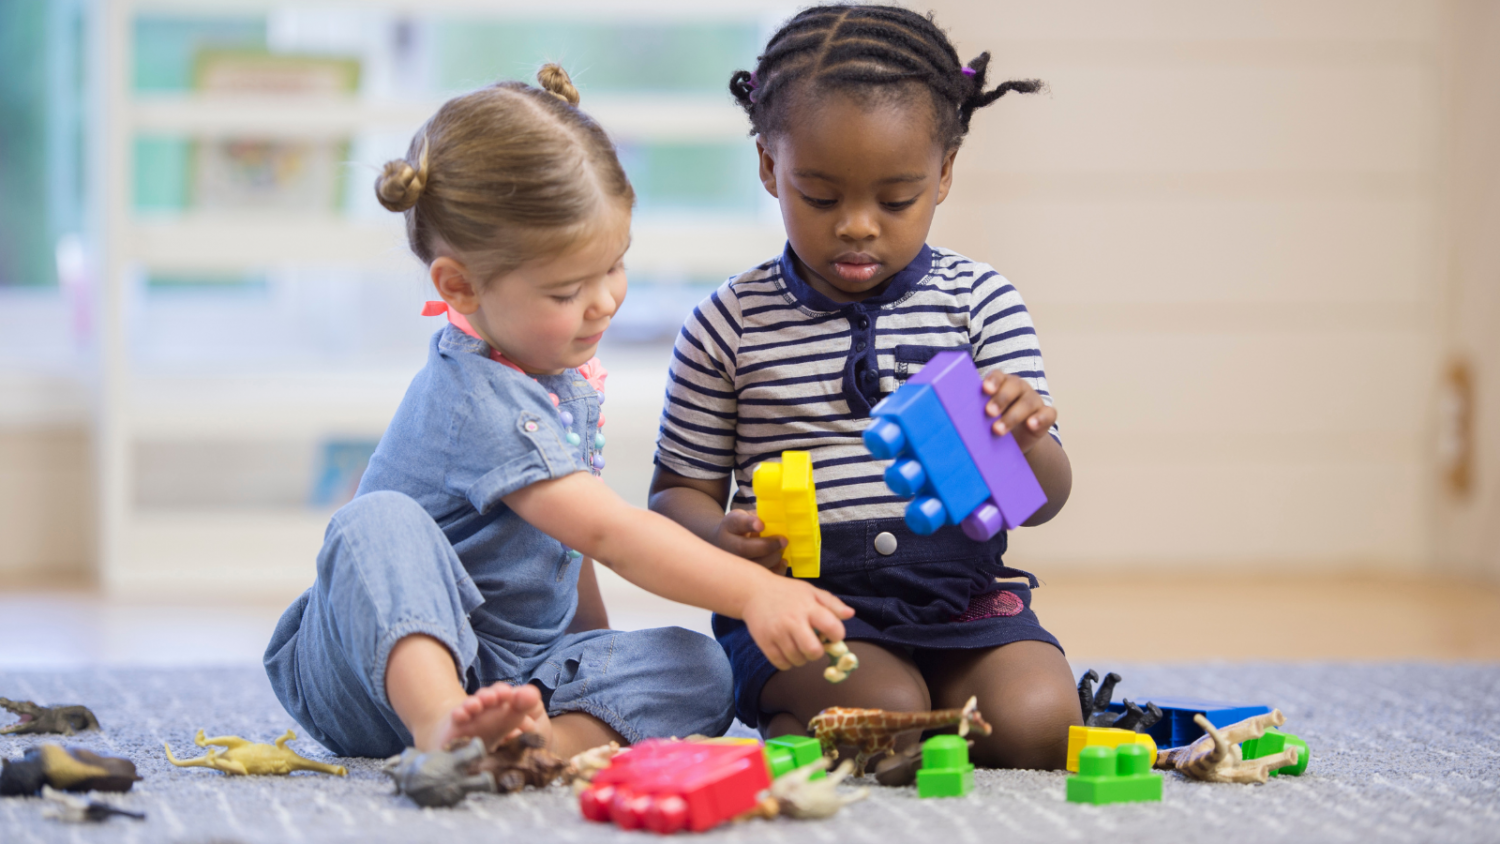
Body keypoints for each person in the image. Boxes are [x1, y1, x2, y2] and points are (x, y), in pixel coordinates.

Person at [264, 65, 852, 761]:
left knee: (703, 668)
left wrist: (591, 660)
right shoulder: (475, 395)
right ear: (460, 285)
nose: (605, 301)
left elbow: (569, 547)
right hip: (370, 673)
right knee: (374, 520)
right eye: (570, 288)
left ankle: (536, 744)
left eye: (615, 265)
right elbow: (610, 532)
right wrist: (754, 591)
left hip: (512, 671)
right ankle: (442, 729)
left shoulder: (555, 376)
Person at [650, 5, 1082, 770]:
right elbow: (675, 496)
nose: (856, 226)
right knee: (886, 719)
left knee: (1040, 725)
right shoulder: (728, 322)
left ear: (943, 174)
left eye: (895, 199)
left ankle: (922, 705)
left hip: (964, 595)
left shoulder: (980, 301)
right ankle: (831, 711)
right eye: (819, 197)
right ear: (767, 167)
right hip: (803, 607)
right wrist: (725, 541)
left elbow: (1041, 502)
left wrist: (1026, 440)